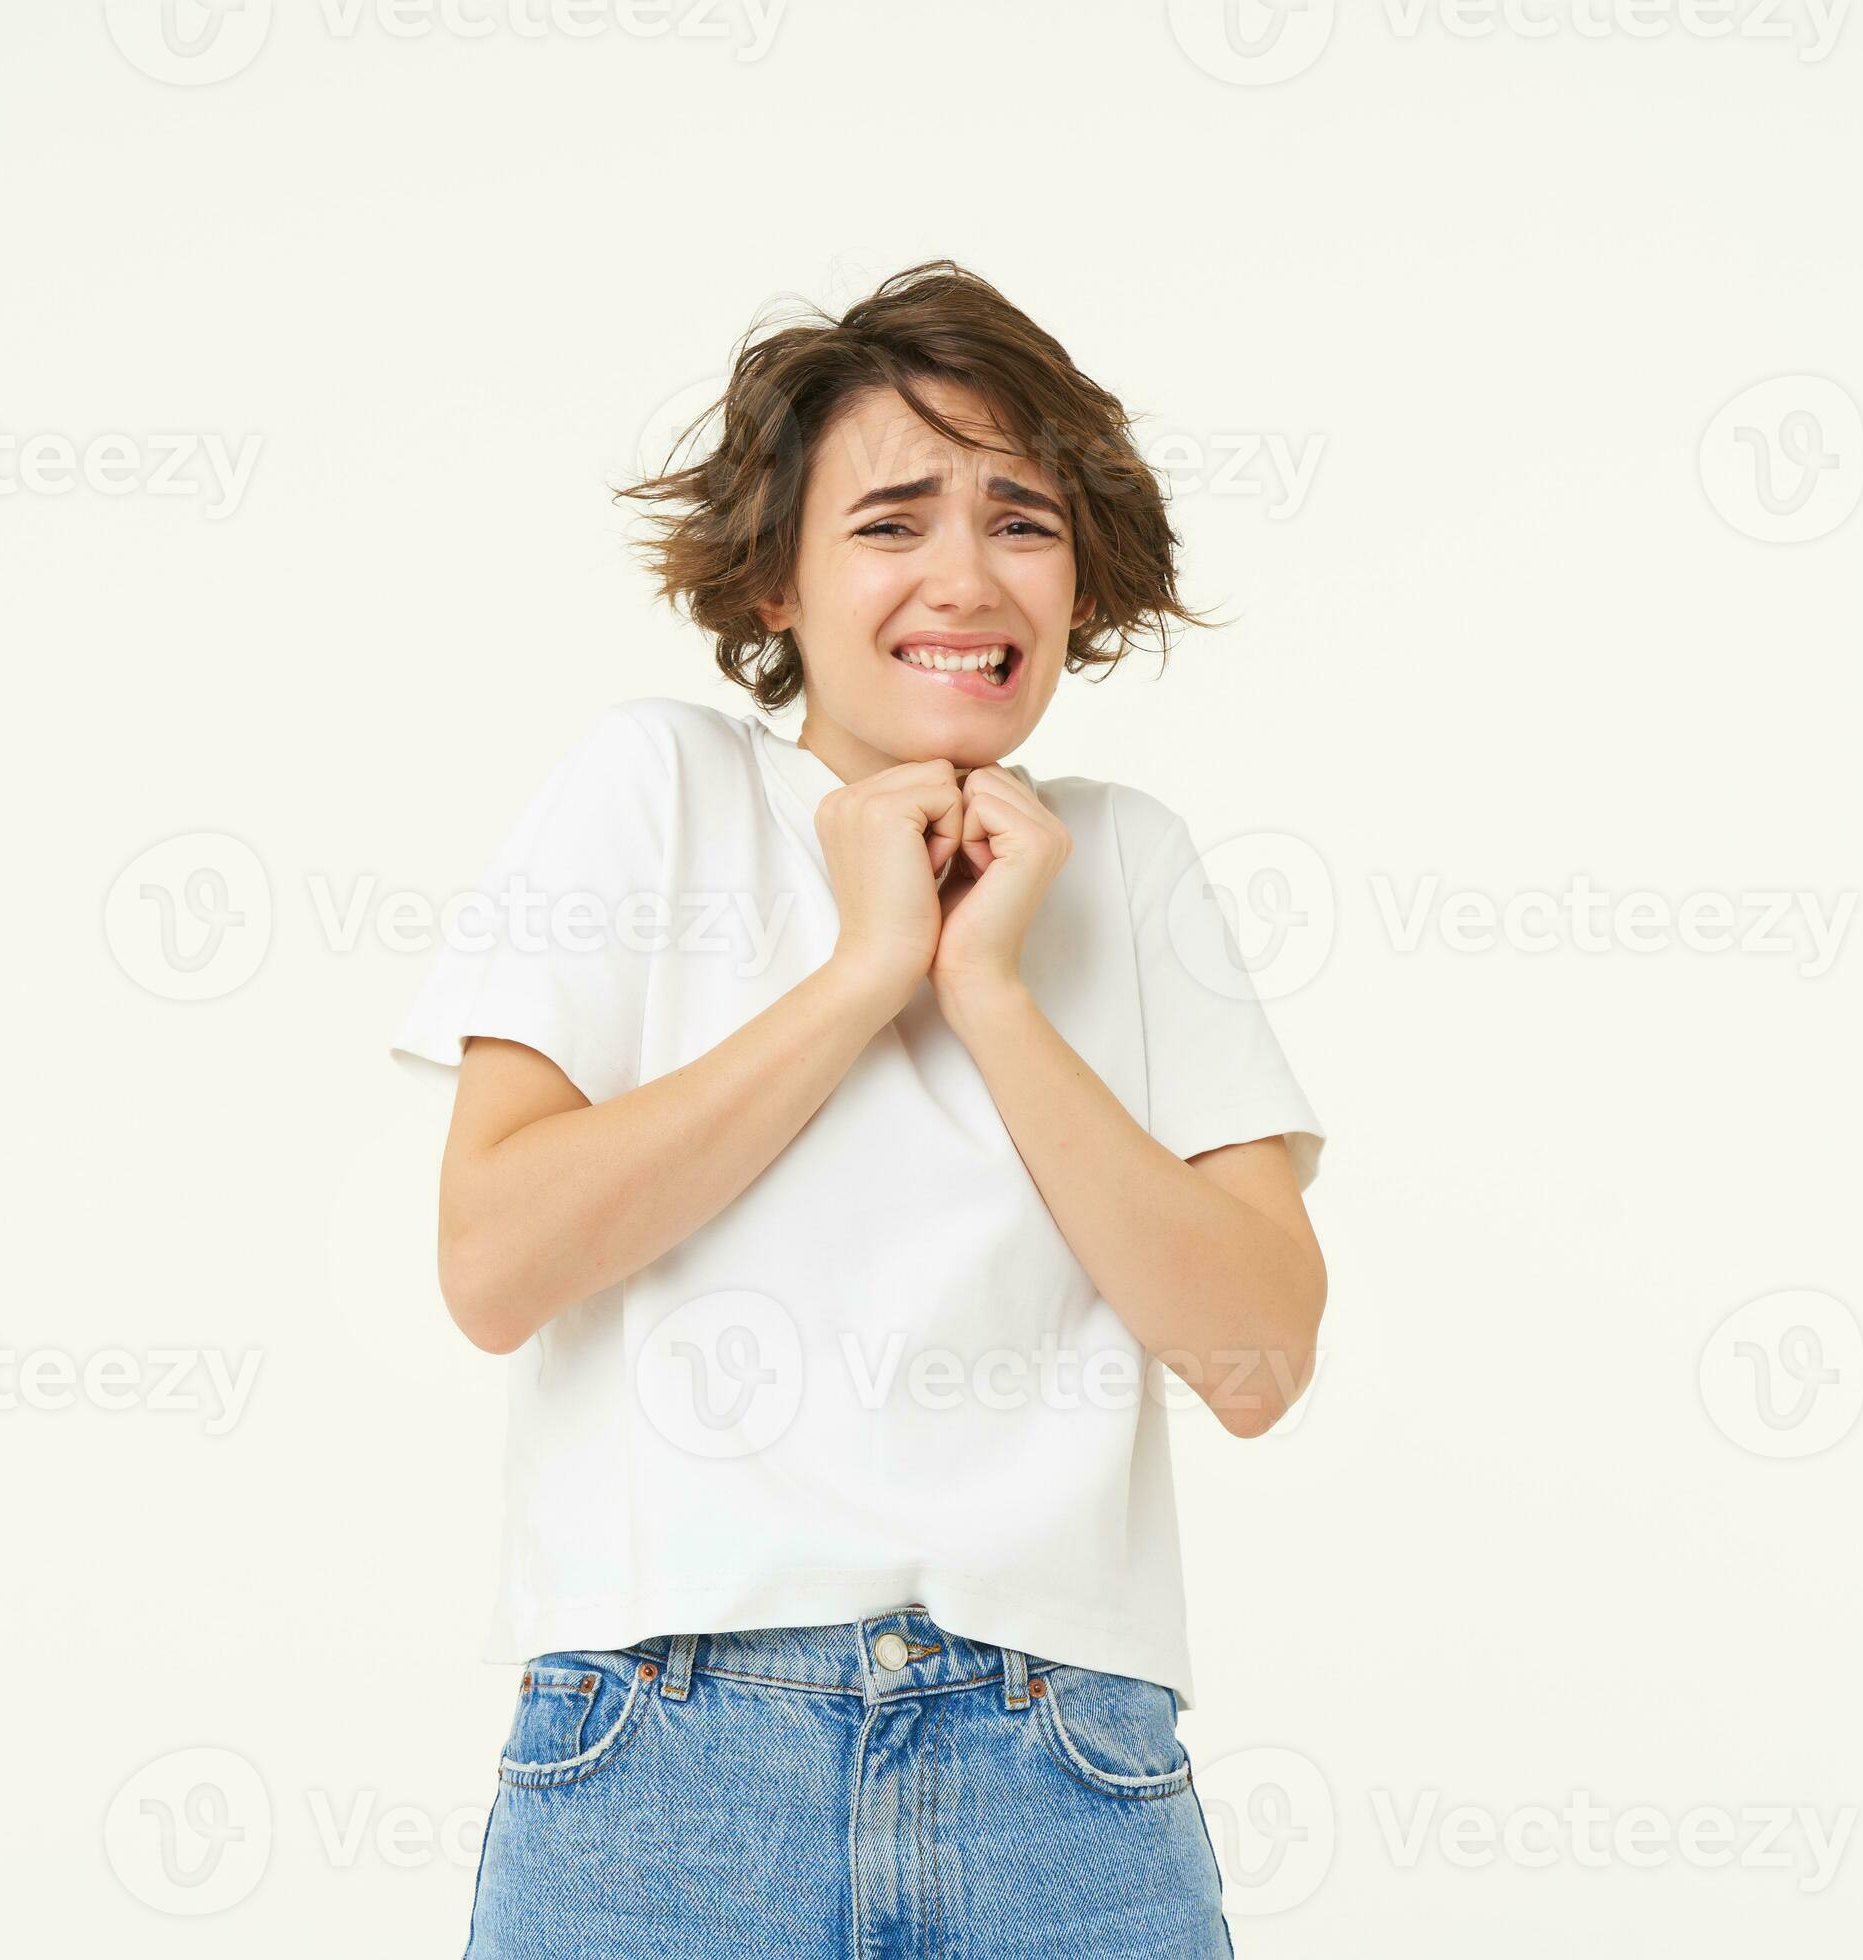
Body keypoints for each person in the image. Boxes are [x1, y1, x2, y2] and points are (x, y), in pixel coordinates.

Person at [389, 260, 1327, 1958]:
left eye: (1023, 520)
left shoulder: (1123, 858)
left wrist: (988, 992)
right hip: (667, 1766)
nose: (965, 577)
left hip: (1067, 1778)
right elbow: (493, 1260)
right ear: (776, 582)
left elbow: (1258, 1356)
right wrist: (862, 972)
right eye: (893, 521)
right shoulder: (655, 787)